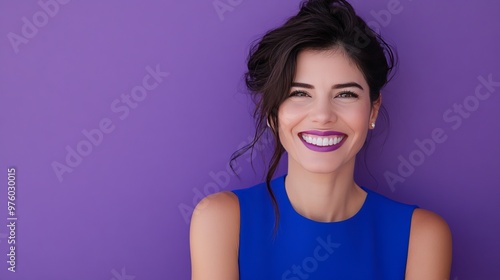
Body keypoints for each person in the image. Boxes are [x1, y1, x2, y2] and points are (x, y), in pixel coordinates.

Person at [190, 0, 452, 279]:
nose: (323, 115)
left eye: (345, 94)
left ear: (373, 109)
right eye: (300, 94)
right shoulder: (221, 220)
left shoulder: (421, 236)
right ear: (272, 111)